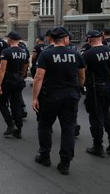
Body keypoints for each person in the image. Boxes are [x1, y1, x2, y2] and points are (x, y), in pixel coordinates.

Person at [32, 27, 85, 175]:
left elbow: (38, 77)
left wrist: (35, 98)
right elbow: (81, 76)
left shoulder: (46, 54)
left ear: (52, 39)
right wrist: (77, 88)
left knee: (45, 126)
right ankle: (65, 162)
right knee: (68, 128)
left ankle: (44, 155)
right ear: (65, 39)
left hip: (50, 96)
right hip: (70, 96)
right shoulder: (76, 54)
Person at [82, 30, 110, 157]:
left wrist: (81, 84)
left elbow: (82, 72)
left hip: (95, 87)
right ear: (101, 38)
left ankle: (98, 146)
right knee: (106, 111)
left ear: (89, 40)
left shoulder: (88, 54)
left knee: (95, 115)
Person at [0, 32, 29, 138]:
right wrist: (21, 77)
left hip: (8, 80)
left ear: (10, 39)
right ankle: (18, 130)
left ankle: (10, 124)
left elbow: (2, 69)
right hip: (18, 79)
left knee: (1, 102)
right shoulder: (23, 52)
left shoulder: (6, 51)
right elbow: (25, 67)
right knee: (16, 105)